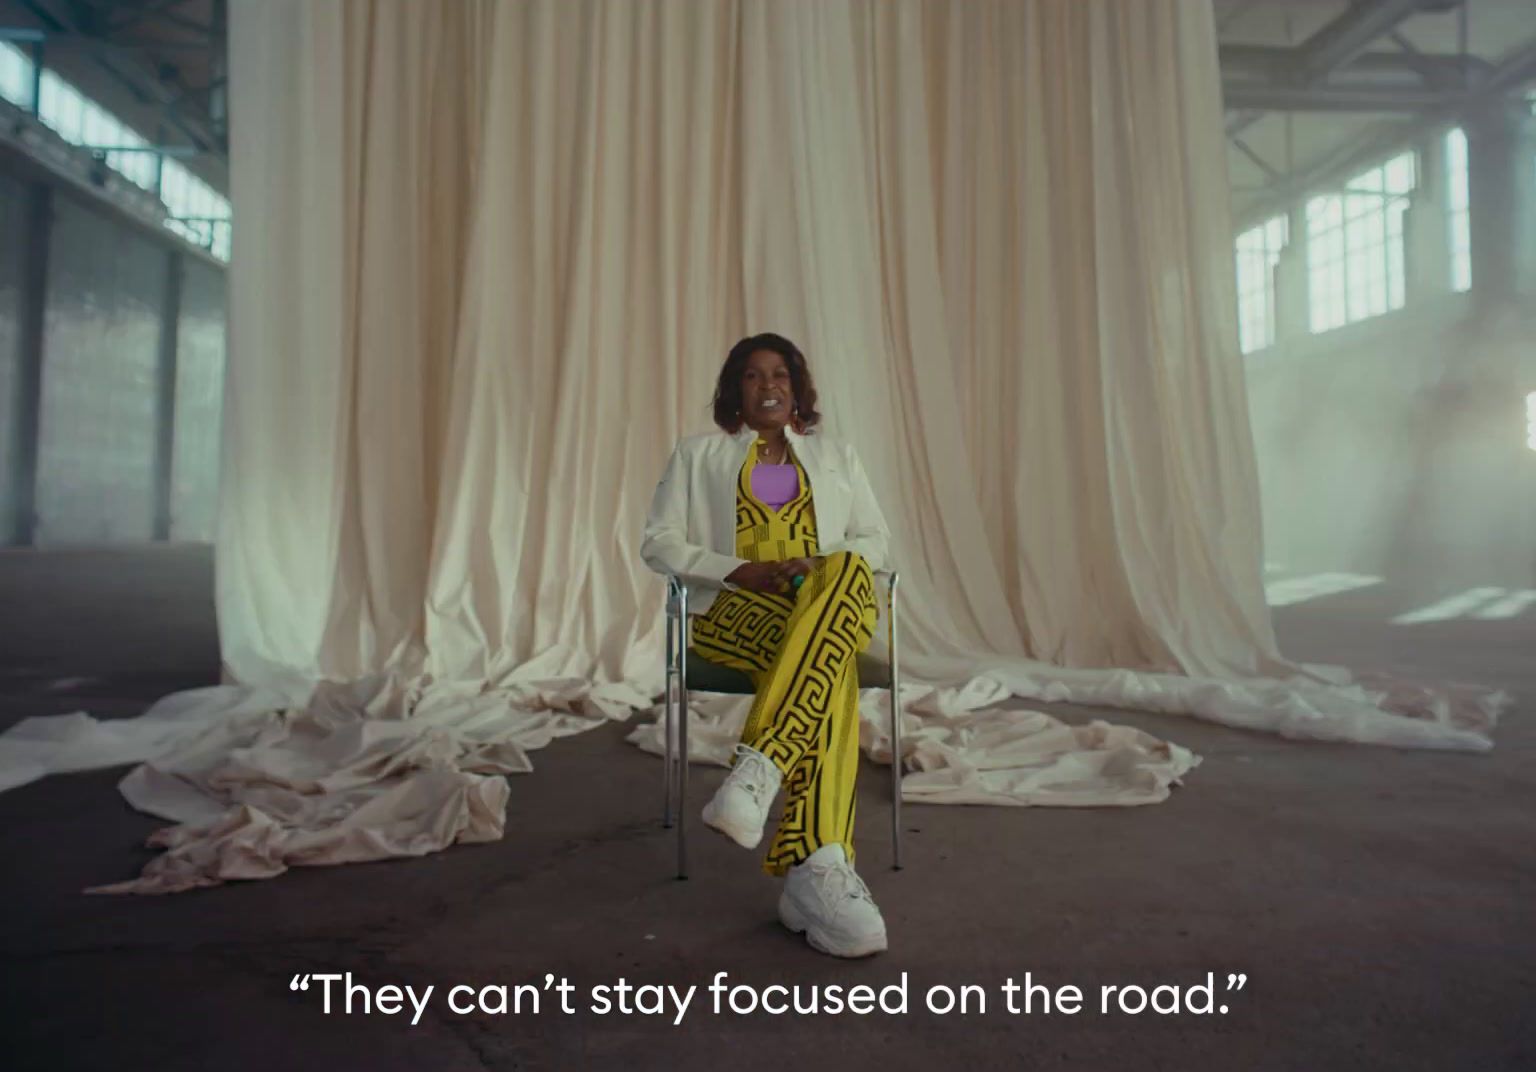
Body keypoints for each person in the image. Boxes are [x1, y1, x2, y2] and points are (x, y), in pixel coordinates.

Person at [640, 332, 894, 958]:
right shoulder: (698, 455)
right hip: (736, 608)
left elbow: (874, 541)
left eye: (780, 374)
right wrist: (735, 569)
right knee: (828, 670)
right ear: (735, 391)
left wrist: (817, 564)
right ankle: (819, 869)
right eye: (752, 376)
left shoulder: (837, 455)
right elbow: (659, 541)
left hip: (823, 603)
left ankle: (761, 767)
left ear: (798, 387)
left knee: (838, 581)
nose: (769, 386)